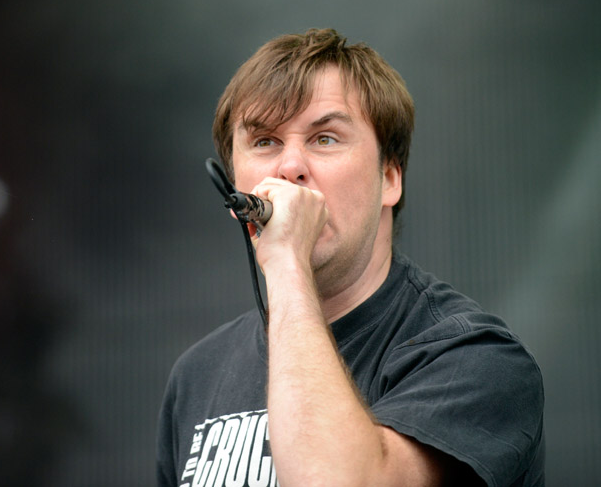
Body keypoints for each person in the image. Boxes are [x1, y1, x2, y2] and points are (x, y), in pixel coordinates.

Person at [156, 28, 544, 487]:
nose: (289, 167)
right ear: (236, 189)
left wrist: (287, 262)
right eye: (264, 142)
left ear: (390, 178)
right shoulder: (198, 374)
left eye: (325, 138)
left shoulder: (475, 358)